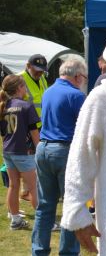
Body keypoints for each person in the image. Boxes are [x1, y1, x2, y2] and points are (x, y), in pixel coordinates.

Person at [31, 60, 87, 256]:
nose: (83, 82)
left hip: (43, 148)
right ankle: (68, 253)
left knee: (45, 206)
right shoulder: (77, 95)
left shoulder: (48, 92)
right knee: (71, 206)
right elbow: (85, 128)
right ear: (78, 76)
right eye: (84, 78)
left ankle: (38, 250)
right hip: (64, 151)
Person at [0, 75, 40, 230]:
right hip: (24, 151)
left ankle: (15, 219)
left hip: (8, 151)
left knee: (13, 185)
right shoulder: (26, 106)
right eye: (24, 86)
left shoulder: (4, 106)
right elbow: (34, 131)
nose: (26, 89)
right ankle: (45, 222)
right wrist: (39, 149)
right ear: (18, 88)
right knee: (34, 187)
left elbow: (4, 133)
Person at [18, 54, 48, 202]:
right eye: (36, 70)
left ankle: (30, 189)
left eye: (42, 70)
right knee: (28, 160)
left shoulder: (42, 78)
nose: (39, 73)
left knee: (38, 158)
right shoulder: (19, 80)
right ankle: (27, 190)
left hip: (42, 126)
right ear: (28, 66)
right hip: (26, 128)